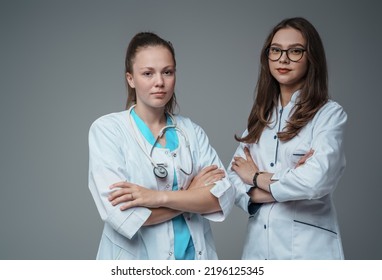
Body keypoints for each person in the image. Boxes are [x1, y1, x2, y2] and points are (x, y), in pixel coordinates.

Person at [88, 32, 235, 260]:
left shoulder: (191, 132)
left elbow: (222, 197)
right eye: (148, 73)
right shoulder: (108, 130)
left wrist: (158, 198)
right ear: (130, 78)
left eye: (167, 72)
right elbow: (123, 216)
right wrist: (192, 196)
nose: (160, 82)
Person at [228, 17, 347, 259]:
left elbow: (315, 180)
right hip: (258, 250)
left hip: (309, 252)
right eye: (276, 50)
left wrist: (255, 176)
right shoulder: (260, 117)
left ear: (311, 57)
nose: (283, 59)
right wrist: (282, 185)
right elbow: (231, 180)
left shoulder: (328, 114)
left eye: (295, 51)